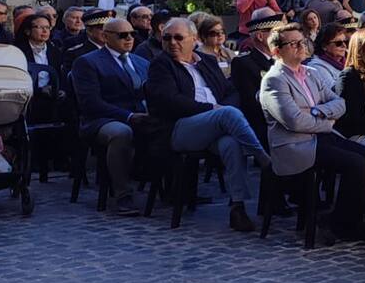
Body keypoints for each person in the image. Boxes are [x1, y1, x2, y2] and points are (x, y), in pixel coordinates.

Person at [144, 17, 271, 231]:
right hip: (179, 128)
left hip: (214, 125)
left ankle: (238, 207)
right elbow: (170, 101)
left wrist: (221, 109)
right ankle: (264, 160)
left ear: (193, 39)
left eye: (178, 37)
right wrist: (213, 109)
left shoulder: (206, 61)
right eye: (167, 38)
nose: (172, 42)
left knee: (231, 143)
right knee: (228, 114)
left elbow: (231, 91)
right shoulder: (161, 64)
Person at [258, 22, 365, 241]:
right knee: (355, 164)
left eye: (302, 42)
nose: (301, 47)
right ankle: (343, 224)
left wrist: (317, 110)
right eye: (293, 44)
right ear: (277, 51)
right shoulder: (274, 80)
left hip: (321, 137)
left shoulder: (311, 73)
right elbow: (295, 121)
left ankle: (346, 216)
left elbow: (340, 103)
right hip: (295, 145)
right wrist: (327, 122)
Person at [70, 18, 150, 215]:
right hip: (101, 119)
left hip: (140, 115)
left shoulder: (142, 63)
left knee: (173, 125)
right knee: (121, 133)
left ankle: (173, 188)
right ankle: (123, 194)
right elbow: (91, 103)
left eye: (132, 34)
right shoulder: (88, 62)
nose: (129, 38)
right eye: (122, 35)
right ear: (105, 37)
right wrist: (129, 116)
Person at [229, 8, 281, 147]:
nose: (281, 36)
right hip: (269, 127)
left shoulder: (281, 60)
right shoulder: (244, 63)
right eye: (275, 32)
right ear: (260, 36)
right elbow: (253, 104)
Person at [305, 21, 349, 89]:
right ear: (324, 46)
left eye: (346, 42)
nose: (344, 45)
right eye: (338, 43)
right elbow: (334, 91)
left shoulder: (348, 60)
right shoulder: (316, 67)